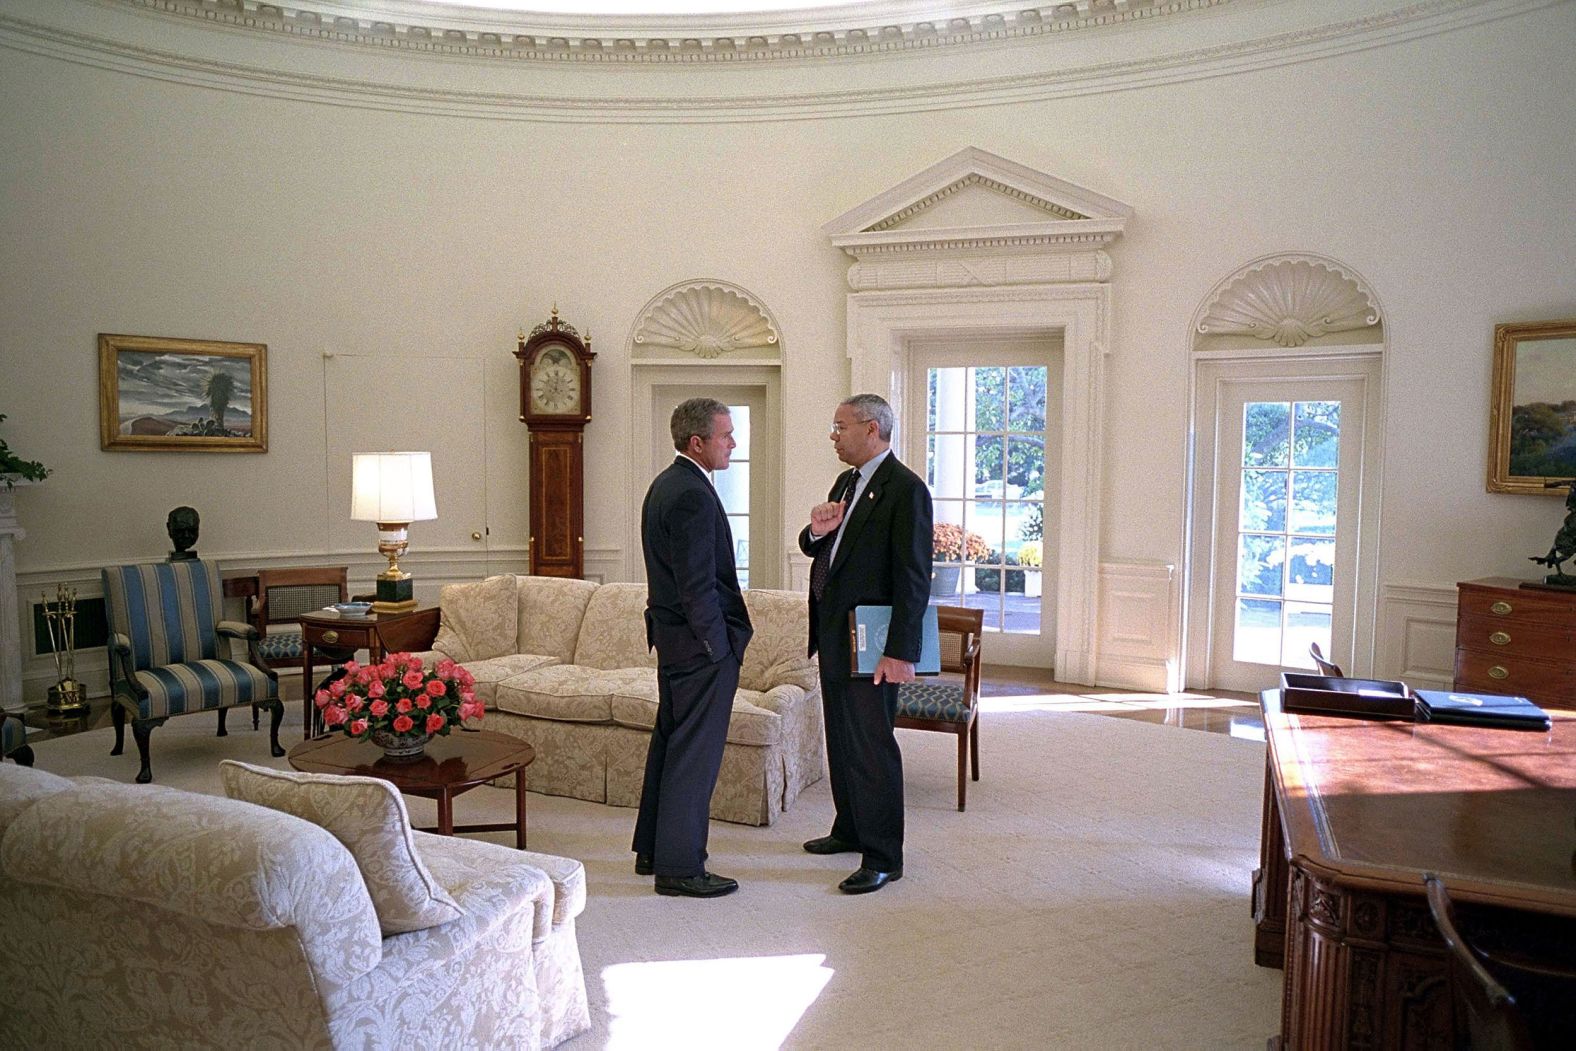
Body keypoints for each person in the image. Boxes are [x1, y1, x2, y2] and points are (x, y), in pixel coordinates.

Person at [799, 393, 932, 894]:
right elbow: (827, 547)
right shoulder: (846, 482)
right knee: (842, 737)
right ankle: (849, 829)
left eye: (840, 427)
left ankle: (883, 854)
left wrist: (900, 651)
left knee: (872, 746)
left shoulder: (906, 489)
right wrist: (815, 532)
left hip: (874, 642)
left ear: (872, 429)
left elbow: (914, 578)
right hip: (834, 634)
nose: (834, 436)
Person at [632, 398, 754, 898]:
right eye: (725, 435)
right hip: (698, 648)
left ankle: (654, 851)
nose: (733, 443)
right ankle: (680, 867)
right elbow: (697, 585)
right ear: (697, 442)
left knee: (671, 745)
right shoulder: (690, 494)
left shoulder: (669, 483)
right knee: (693, 757)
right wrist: (716, 646)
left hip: (674, 643)